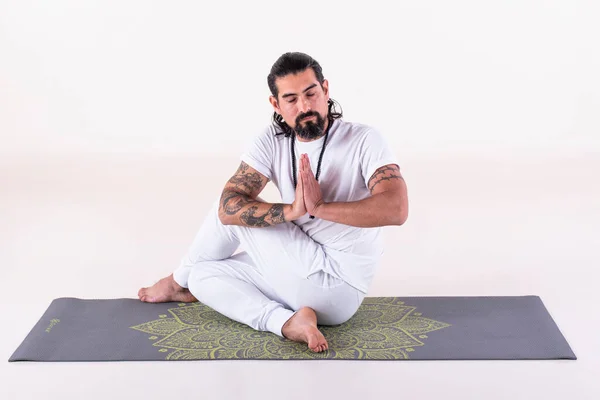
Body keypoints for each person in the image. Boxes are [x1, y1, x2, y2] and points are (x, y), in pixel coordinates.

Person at [138, 52, 408, 353]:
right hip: (299, 274)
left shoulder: (364, 140)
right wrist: (293, 210)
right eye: (291, 99)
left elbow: (396, 209)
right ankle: (287, 321)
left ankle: (177, 281)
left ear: (326, 90)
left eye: (311, 94)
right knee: (203, 276)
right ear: (276, 105)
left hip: (341, 284)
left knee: (223, 215)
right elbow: (230, 204)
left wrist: (320, 208)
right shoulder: (271, 140)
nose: (305, 107)